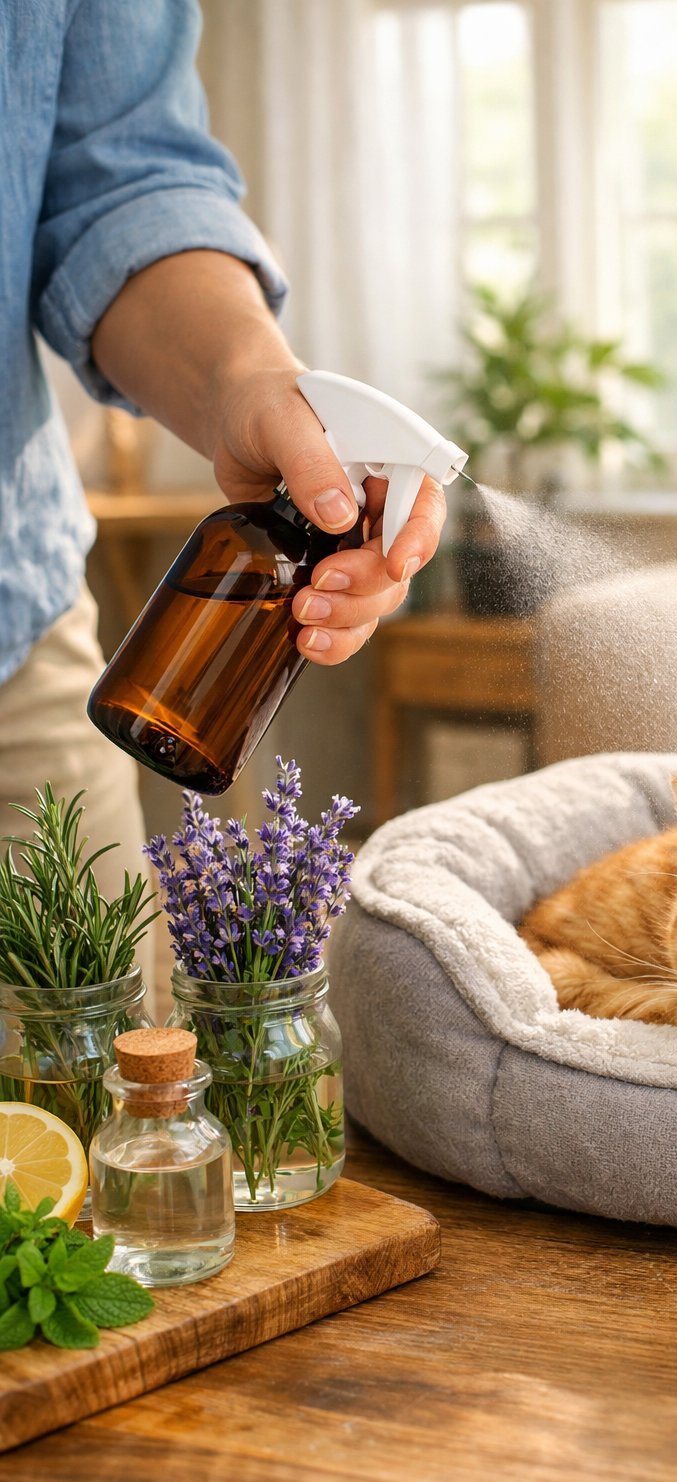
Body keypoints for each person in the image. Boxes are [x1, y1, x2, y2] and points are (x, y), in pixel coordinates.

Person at [0, 0, 445, 924]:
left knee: (108, 1041)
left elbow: (119, 195)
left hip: (12, 633)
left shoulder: (255, 539)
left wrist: (253, 381)